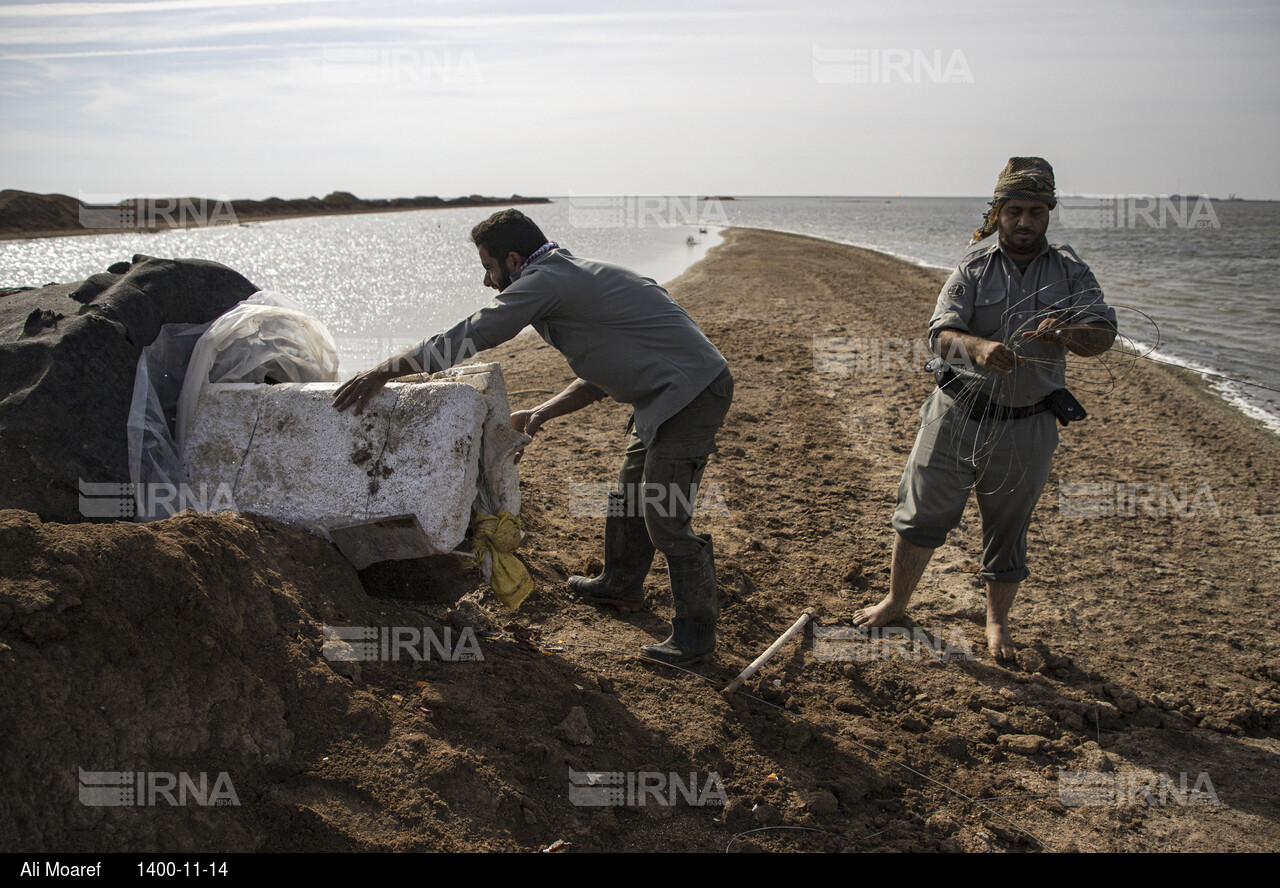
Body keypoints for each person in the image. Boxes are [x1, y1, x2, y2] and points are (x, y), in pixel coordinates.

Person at [332, 209, 733, 664]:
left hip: (691, 394)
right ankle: (621, 584)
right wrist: (541, 413)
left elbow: (477, 331)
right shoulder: (572, 277)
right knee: (628, 495)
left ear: (514, 259)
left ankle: (697, 634)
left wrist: (387, 370)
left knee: (664, 511)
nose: (487, 280)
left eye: (488, 267)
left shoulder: (546, 282)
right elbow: (602, 373)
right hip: (664, 394)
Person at [852, 157, 1116, 661]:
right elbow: (938, 336)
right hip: (955, 414)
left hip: (1029, 424)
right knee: (919, 515)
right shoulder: (972, 266)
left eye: (1035, 212)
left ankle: (997, 624)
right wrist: (978, 349)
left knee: (1009, 527)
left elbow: (1102, 336)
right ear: (997, 211)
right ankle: (896, 601)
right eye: (1014, 210)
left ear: (1049, 214)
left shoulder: (1072, 273)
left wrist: (1066, 331)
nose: (1024, 222)